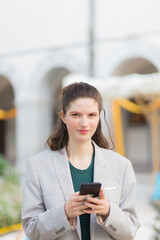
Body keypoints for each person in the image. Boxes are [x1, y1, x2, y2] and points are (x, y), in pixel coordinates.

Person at [22, 82, 140, 240]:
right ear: (63, 116)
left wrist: (108, 212)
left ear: (99, 116)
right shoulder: (37, 166)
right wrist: (64, 213)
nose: (84, 123)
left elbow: (130, 231)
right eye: (76, 115)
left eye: (91, 115)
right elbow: (31, 230)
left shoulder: (121, 165)